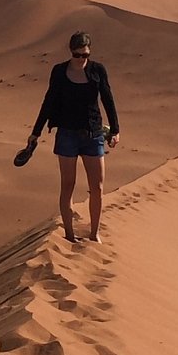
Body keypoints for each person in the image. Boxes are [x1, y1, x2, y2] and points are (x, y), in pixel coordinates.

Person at [28, 31, 119, 243]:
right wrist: (36, 132)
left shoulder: (97, 70)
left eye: (84, 55)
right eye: (77, 55)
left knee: (96, 187)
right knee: (67, 185)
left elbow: (108, 99)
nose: (81, 59)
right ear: (71, 52)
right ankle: (69, 234)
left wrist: (115, 130)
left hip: (93, 133)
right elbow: (49, 102)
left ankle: (94, 233)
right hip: (67, 135)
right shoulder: (59, 71)